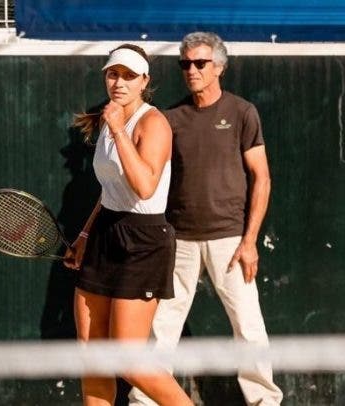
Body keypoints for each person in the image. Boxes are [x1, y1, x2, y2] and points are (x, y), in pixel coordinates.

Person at [128, 32, 284, 405]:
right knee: (161, 327)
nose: (192, 70)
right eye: (185, 64)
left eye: (200, 63)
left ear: (219, 68)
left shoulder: (242, 112)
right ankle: (144, 401)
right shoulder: (170, 118)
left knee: (248, 326)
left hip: (230, 241)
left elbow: (261, 177)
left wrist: (249, 242)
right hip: (178, 240)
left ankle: (265, 401)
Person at [64, 44, 194, 406]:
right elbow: (109, 191)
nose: (119, 82)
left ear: (144, 81)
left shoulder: (153, 123)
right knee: (93, 359)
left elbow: (144, 186)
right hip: (105, 233)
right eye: (113, 74)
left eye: (128, 76)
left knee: (128, 359)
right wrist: (86, 235)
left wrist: (120, 130)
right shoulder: (109, 119)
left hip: (144, 241)